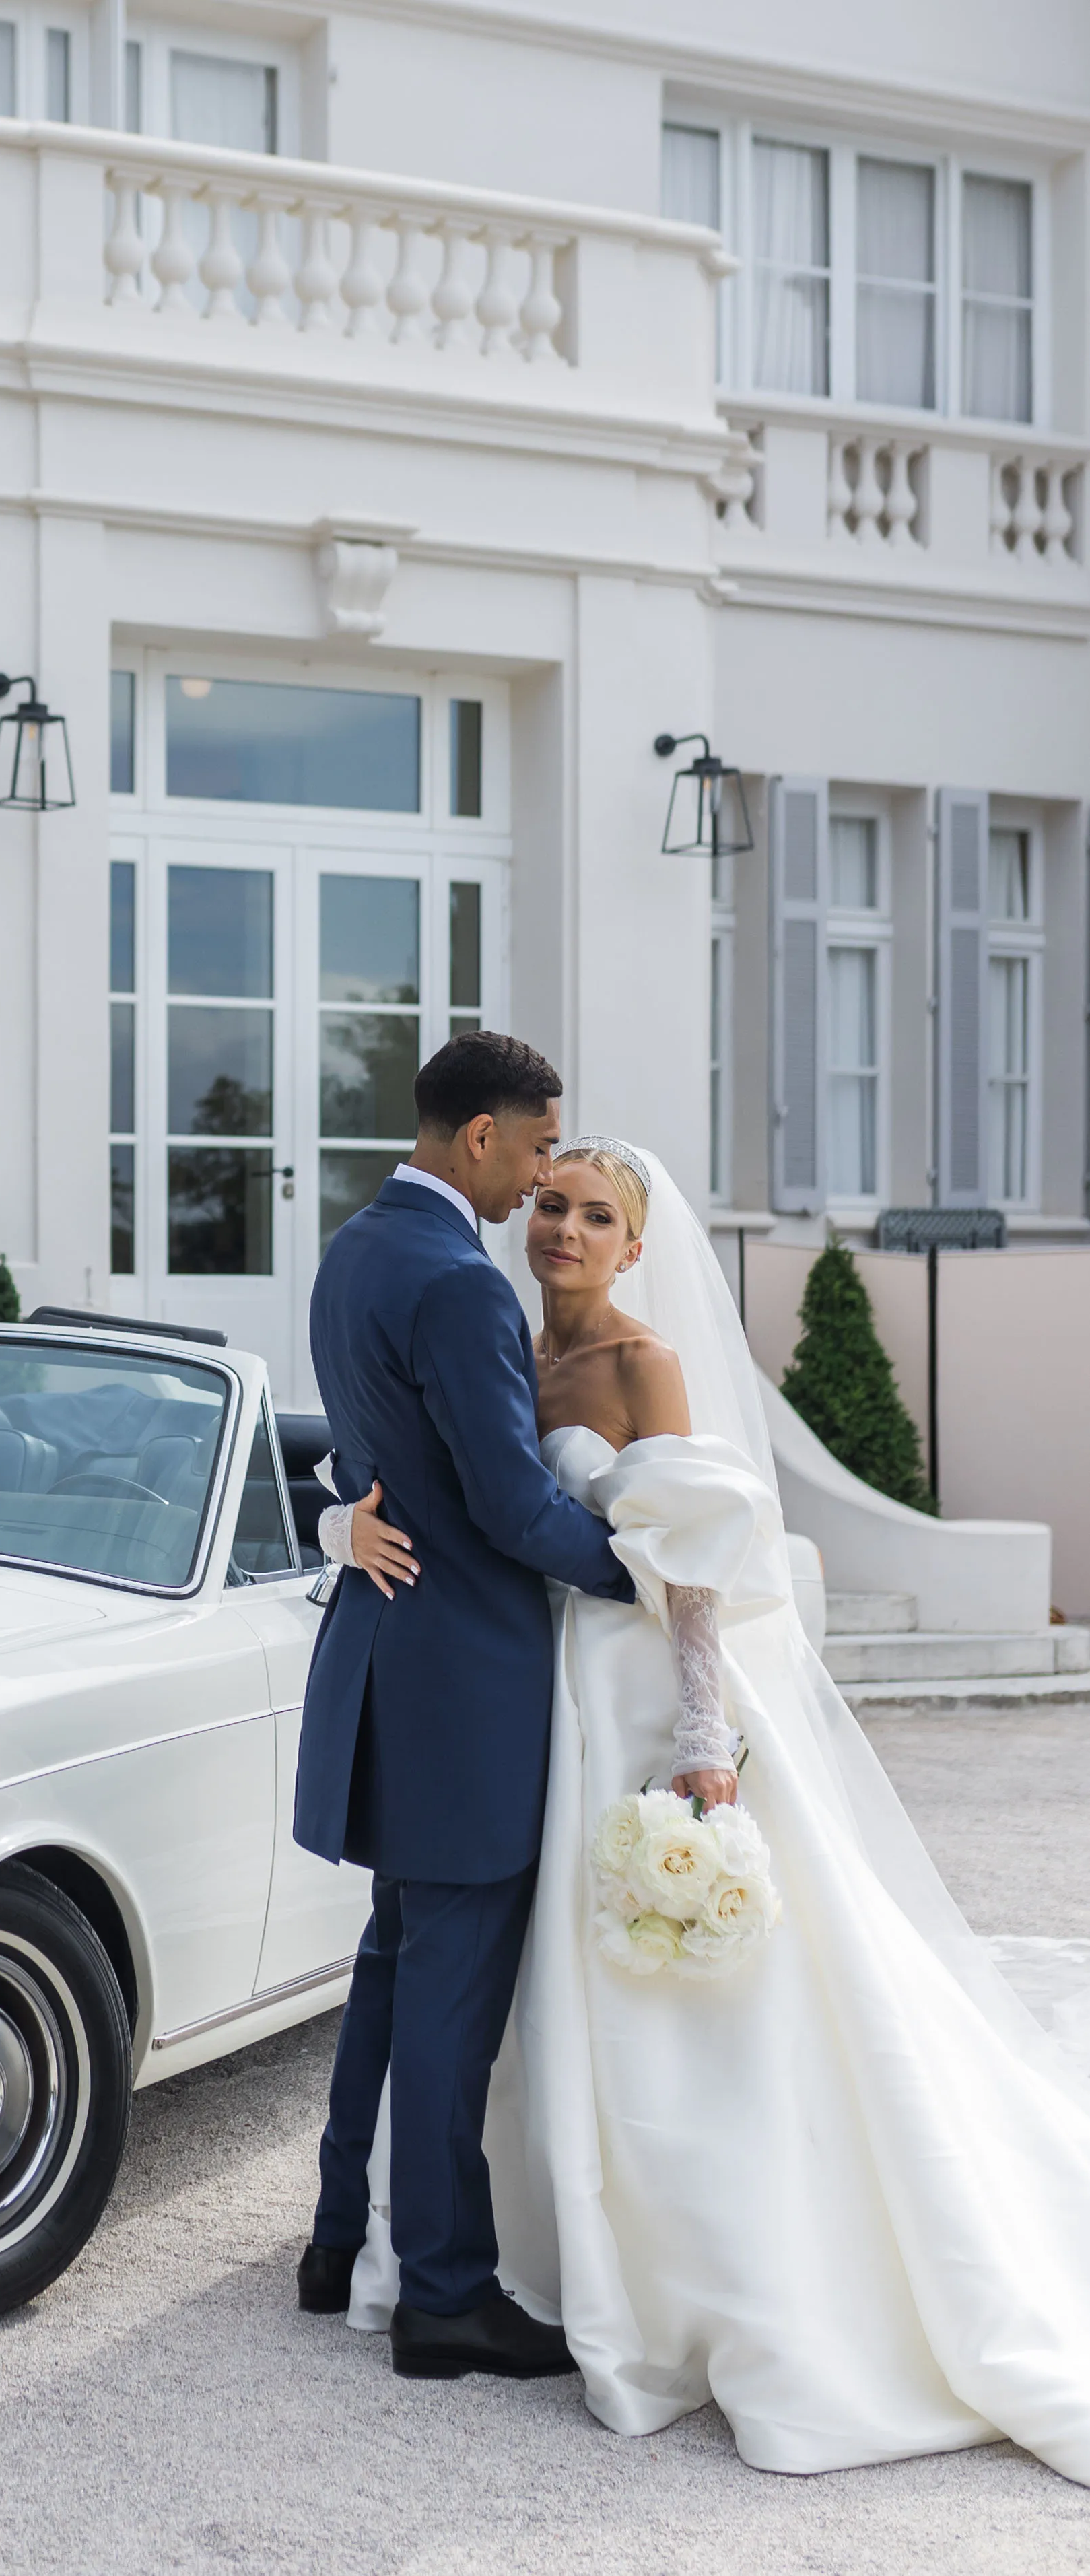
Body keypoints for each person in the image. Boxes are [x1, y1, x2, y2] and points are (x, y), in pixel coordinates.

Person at [360, 1132, 1090, 2481]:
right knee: (539, 1973)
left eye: (597, 1216)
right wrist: (346, 1519)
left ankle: (705, 2263)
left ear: (637, 1247)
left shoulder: (643, 1361)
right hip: (538, 1691)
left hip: (635, 1684)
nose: (565, 1229)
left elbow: (690, 1561)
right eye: (552, 1206)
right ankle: (531, 2235)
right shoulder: (500, 1342)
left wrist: (704, 1731)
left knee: (682, 1996)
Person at [292, 1033, 636, 2382]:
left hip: (389, 1662)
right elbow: (510, 1504)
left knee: (391, 1968)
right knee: (446, 1997)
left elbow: (366, 1453)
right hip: (463, 1685)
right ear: (481, 1136)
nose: (543, 1179)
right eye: (539, 1149)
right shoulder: (458, 1281)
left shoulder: (353, 1248)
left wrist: (343, 1516)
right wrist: (650, 1571)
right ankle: (441, 2293)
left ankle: (340, 2240)